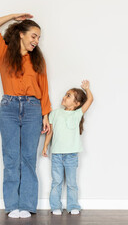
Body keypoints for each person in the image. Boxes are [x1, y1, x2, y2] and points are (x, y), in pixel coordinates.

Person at [0, 13, 51, 218]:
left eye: (38, 38)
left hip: (33, 108)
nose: (36, 41)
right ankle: (12, 205)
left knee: (28, 159)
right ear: (21, 35)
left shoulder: (38, 60)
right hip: (9, 108)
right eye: (33, 36)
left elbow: (44, 88)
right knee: (11, 158)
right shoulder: (4, 54)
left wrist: (45, 116)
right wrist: (15, 16)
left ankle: (27, 205)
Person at [42, 80, 93, 215]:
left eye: (68, 96)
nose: (64, 97)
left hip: (71, 156)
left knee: (71, 183)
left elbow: (90, 100)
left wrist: (87, 89)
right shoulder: (55, 113)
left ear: (76, 104)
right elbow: (50, 132)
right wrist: (45, 145)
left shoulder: (77, 114)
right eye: (65, 94)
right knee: (56, 182)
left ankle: (73, 205)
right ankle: (55, 206)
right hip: (57, 155)